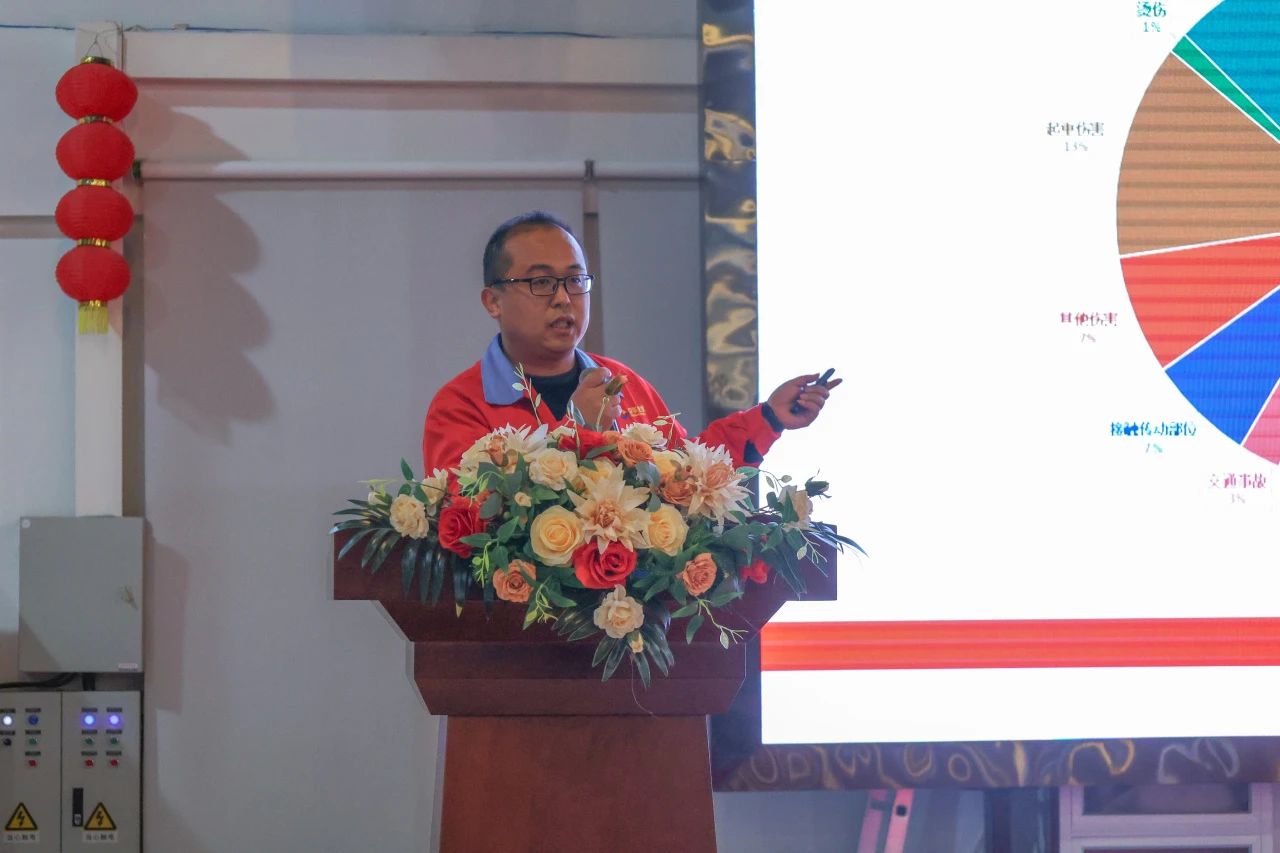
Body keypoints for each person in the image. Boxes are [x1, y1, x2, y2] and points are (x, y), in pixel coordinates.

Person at [421, 211, 840, 475]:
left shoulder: (623, 383)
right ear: (492, 301)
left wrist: (768, 418)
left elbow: (687, 472)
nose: (563, 298)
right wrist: (580, 429)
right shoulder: (461, 405)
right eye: (541, 282)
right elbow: (472, 519)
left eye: (575, 280)